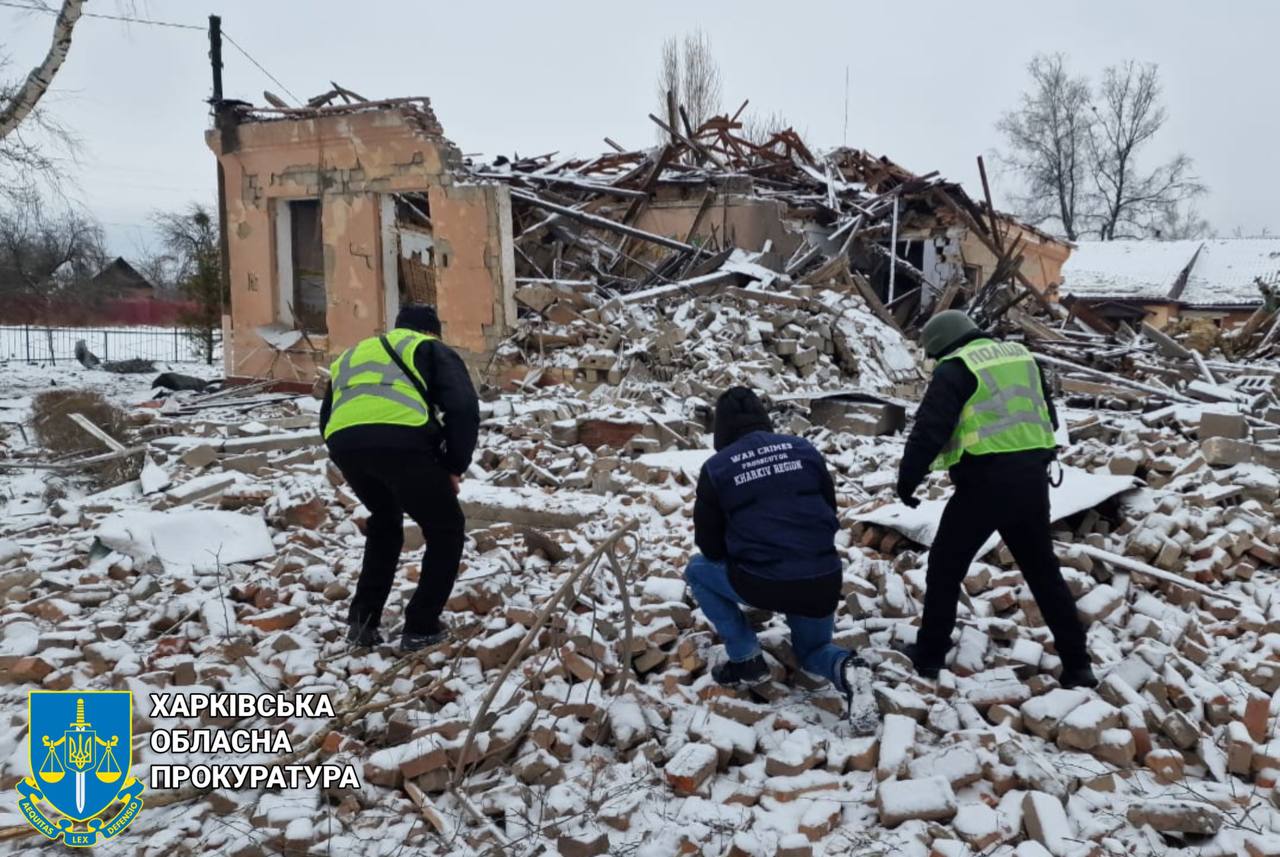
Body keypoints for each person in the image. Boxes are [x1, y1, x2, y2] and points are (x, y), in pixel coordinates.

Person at [896, 310, 1096, 688]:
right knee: (1043, 572)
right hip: (1032, 481)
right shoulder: (1022, 358)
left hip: (983, 486)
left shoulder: (954, 368)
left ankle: (928, 658)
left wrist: (907, 481)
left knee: (944, 568)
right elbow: (1048, 419)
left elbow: (929, 430)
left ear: (941, 346)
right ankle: (1078, 665)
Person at [687, 387, 877, 733]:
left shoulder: (716, 469)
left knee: (697, 571)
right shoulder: (804, 449)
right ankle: (848, 669)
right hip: (822, 577)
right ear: (764, 418)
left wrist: (748, 544)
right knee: (813, 649)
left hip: (763, 581)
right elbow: (829, 510)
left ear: (721, 429)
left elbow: (709, 547)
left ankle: (746, 660)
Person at [320, 304, 479, 653]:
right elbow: (463, 407)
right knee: (446, 528)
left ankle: (362, 622)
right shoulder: (429, 347)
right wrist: (453, 465)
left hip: (346, 445)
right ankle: (422, 627)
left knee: (385, 522)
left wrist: (350, 451)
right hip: (402, 442)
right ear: (432, 331)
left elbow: (327, 414)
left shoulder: (354, 354)